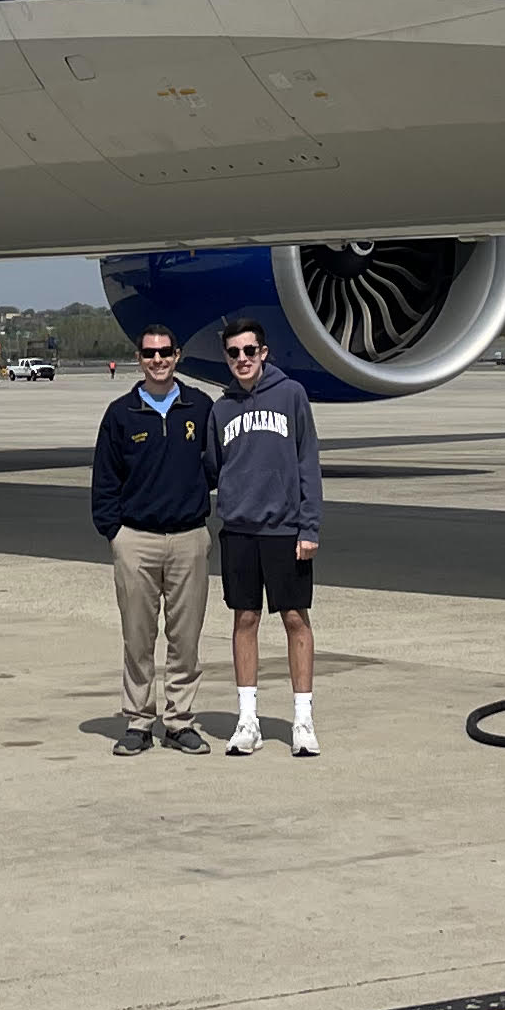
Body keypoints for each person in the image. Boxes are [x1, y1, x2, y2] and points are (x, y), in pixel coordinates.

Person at [90, 326, 217, 753]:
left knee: (186, 638)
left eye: (165, 352)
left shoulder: (199, 406)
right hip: (136, 540)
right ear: (138, 357)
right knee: (138, 637)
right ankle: (139, 721)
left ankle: (180, 721)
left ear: (177, 355)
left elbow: (215, 465)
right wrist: (115, 532)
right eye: (149, 353)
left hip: (188, 538)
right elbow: (105, 479)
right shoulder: (121, 413)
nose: (158, 360)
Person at [212, 320, 324, 755]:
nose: (242, 359)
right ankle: (247, 720)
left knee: (295, 619)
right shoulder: (220, 409)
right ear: (227, 357)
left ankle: (303, 720)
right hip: (239, 530)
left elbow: (307, 462)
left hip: (284, 530)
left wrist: (309, 526)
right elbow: (211, 467)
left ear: (264, 352)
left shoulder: (291, 395)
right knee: (245, 620)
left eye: (249, 350)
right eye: (234, 352)